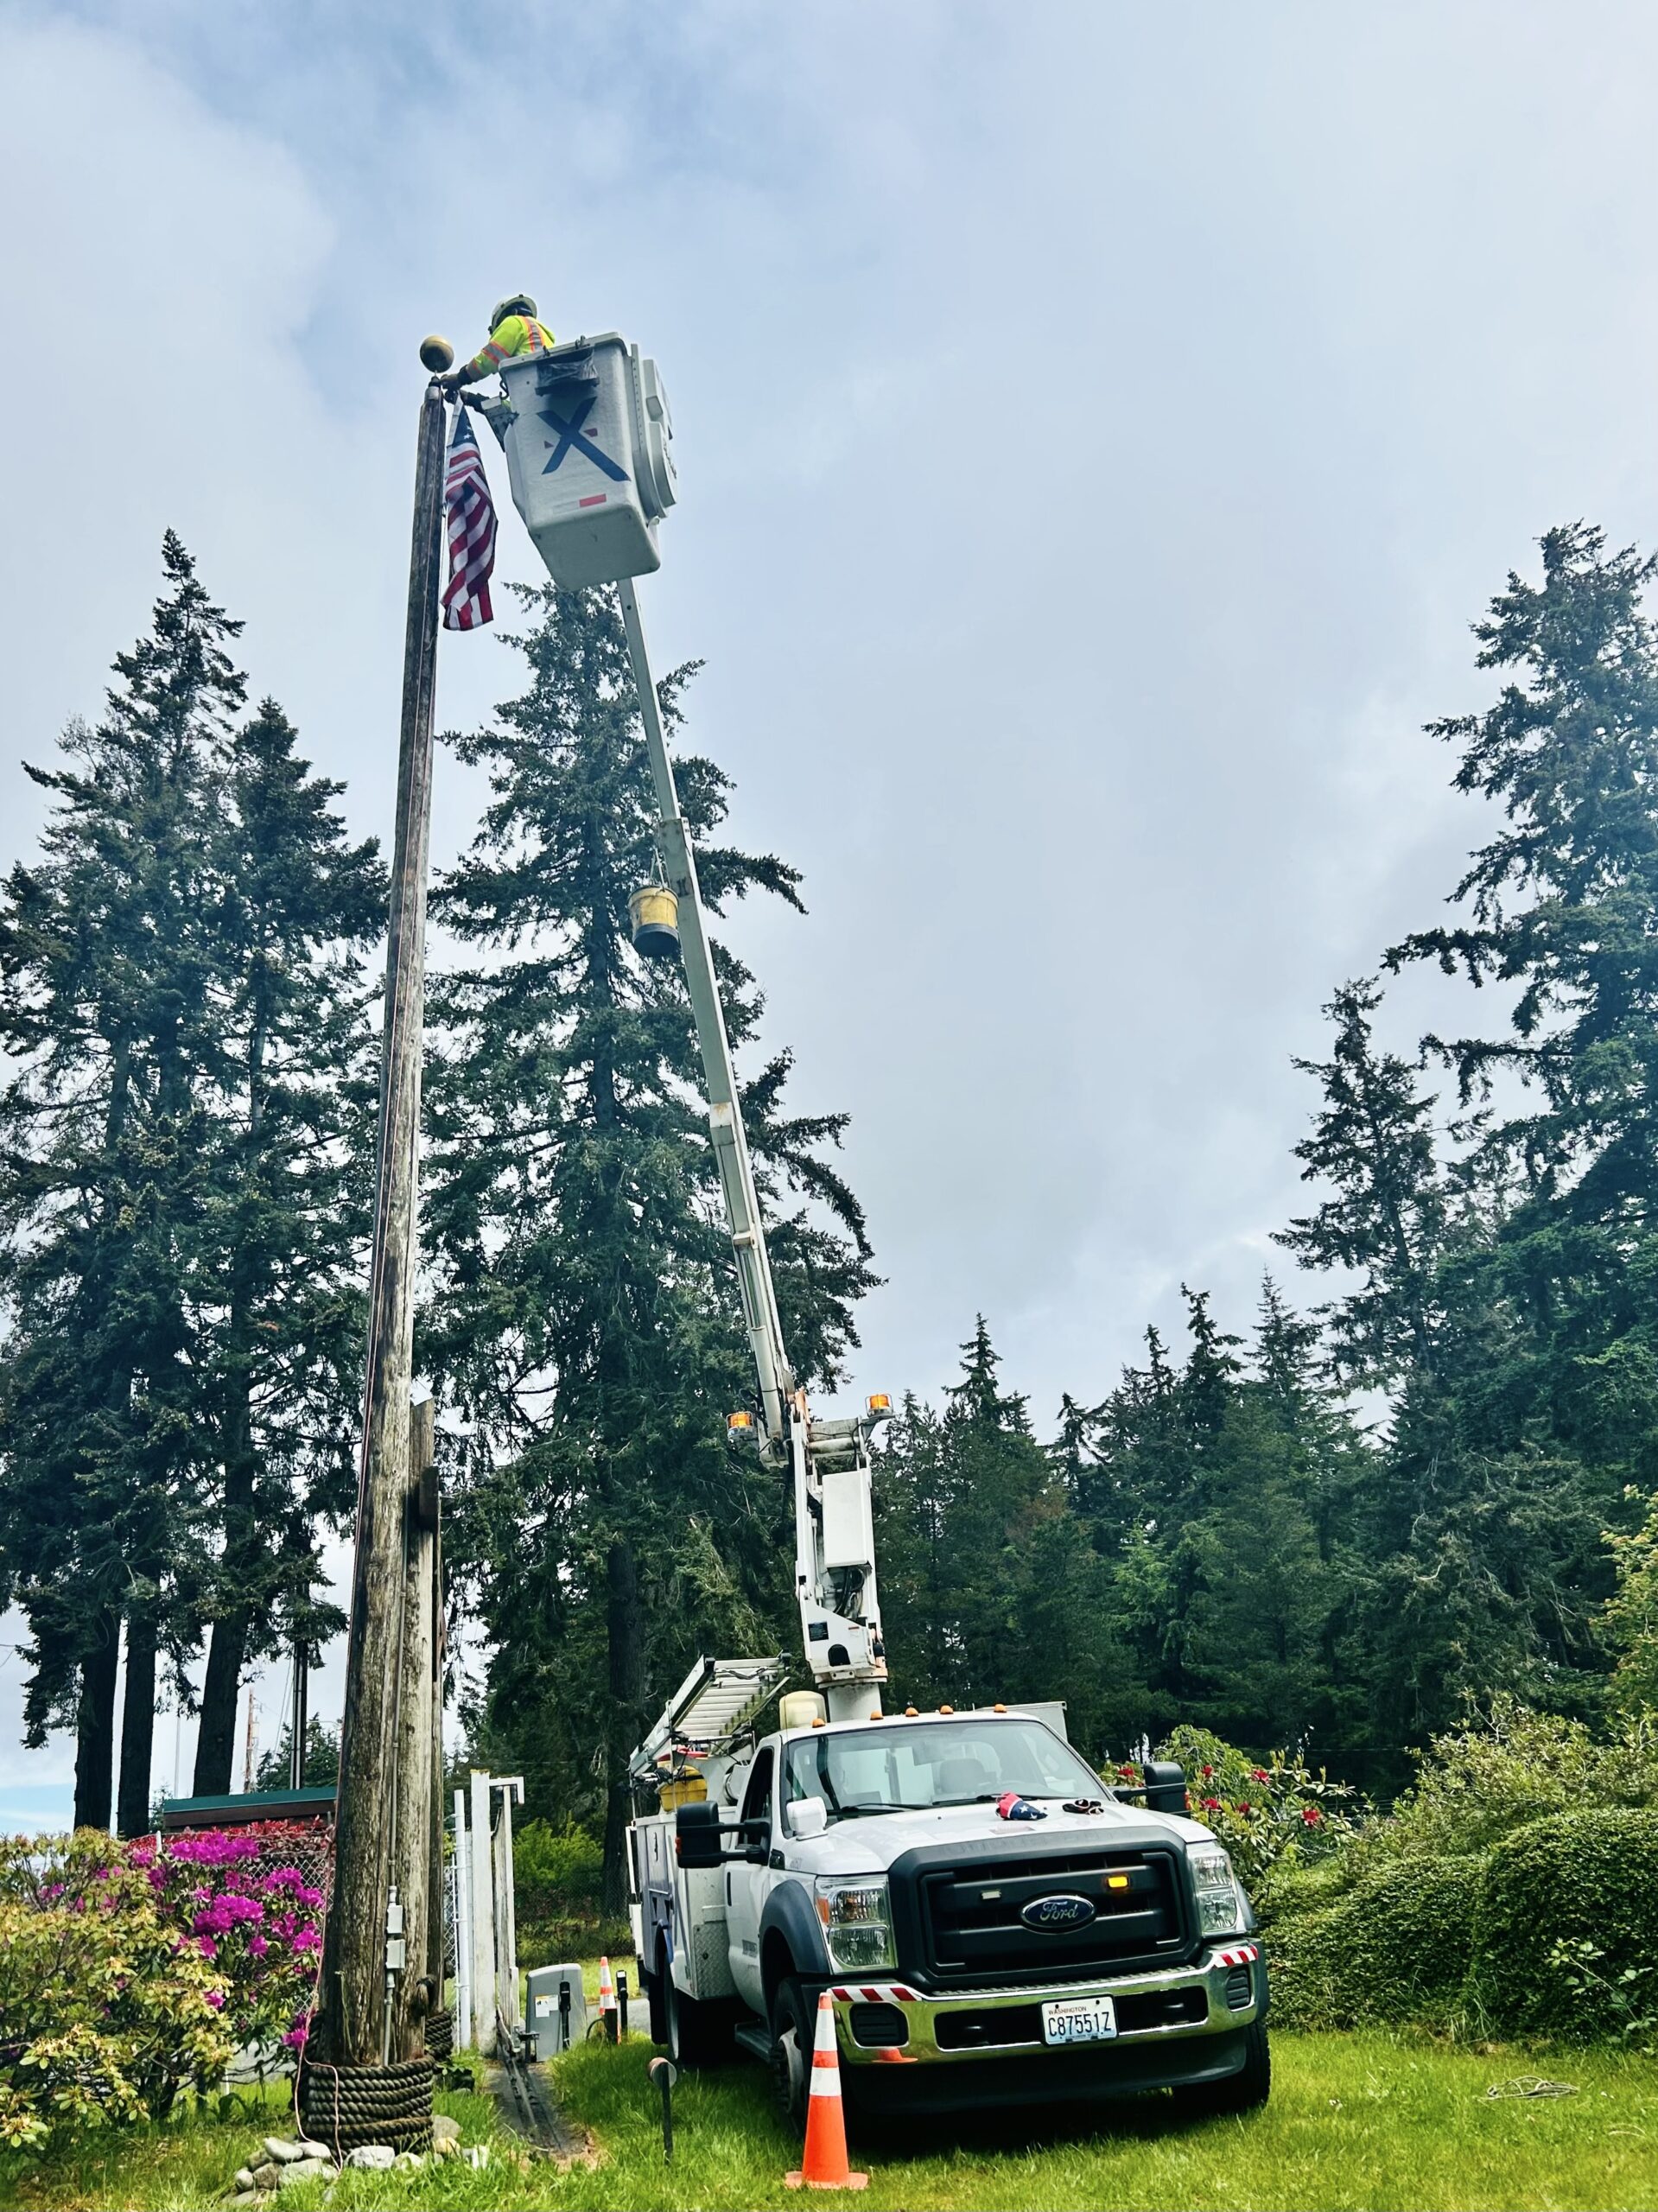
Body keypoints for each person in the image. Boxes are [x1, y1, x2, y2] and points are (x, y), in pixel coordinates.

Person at [441, 294, 556, 389]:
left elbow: (490, 358)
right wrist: (473, 400)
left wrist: (461, 378)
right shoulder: (542, 336)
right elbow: (519, 407)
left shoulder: (515, 321)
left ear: (514, 312)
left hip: (536, 384)